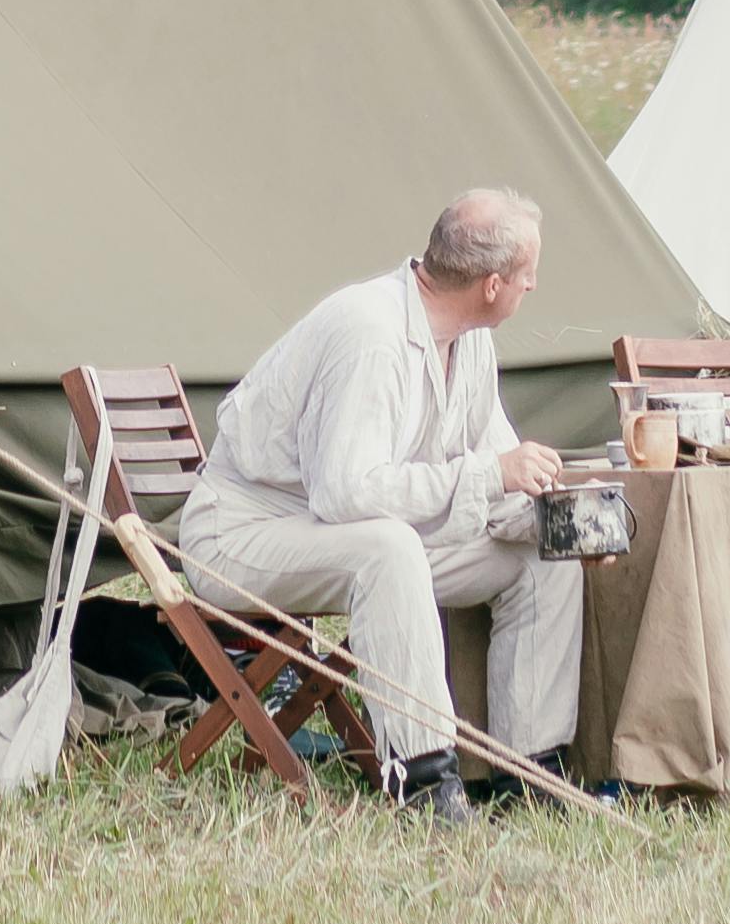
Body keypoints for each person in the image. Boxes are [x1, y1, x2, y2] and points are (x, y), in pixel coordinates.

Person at [179, 190, 580, 822]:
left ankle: (529, 774)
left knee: (543, 556)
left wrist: (553, 519)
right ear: (494, 285)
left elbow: (495, 473)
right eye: (528, 275)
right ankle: (423, 781)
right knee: (387, 549)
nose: (534, 285)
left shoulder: (470, 340)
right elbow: (345, 493)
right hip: (245, 535)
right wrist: (485, 475)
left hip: (343, 535)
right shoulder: (371, 334)